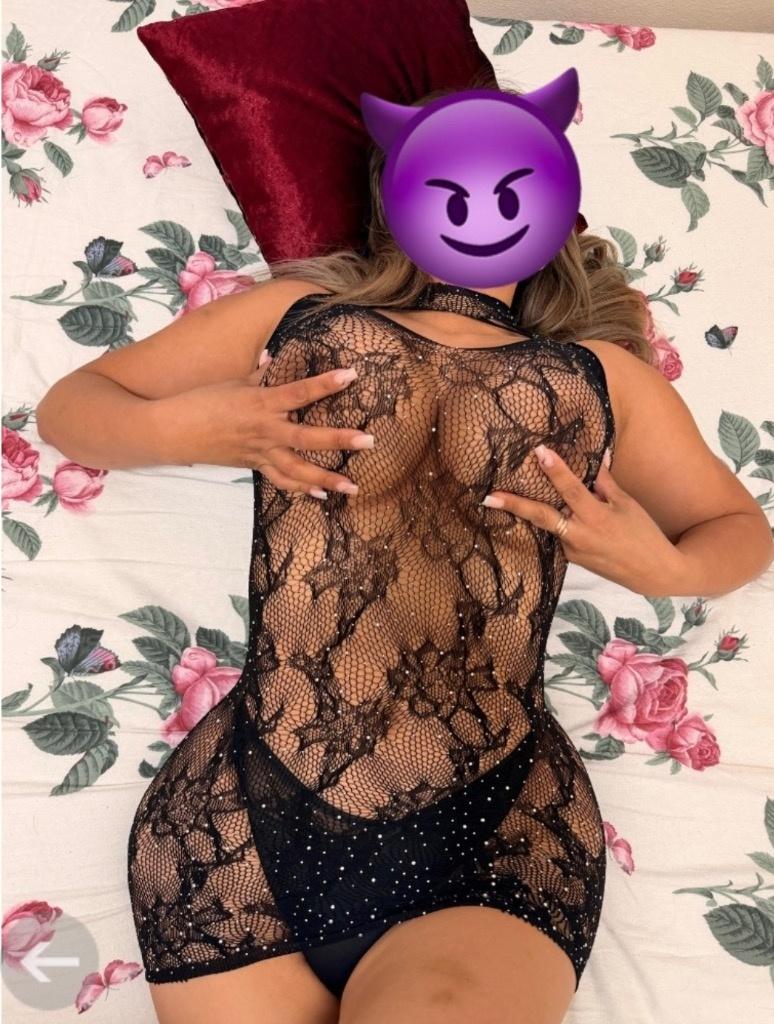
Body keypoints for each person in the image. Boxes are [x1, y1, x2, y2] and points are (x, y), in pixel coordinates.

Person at [35, 81, 773, 1024]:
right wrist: (202, 427)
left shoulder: (602, 378)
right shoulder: (296, 317)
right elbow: (72, 409)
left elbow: (741, 532)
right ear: (396, 197)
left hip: (496, 829)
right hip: (241, 823)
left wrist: (664, 568)